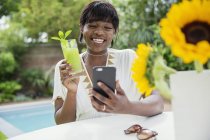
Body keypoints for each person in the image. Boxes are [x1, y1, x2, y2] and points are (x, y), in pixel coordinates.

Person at [52, 0, 164, 125]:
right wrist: (71, 93)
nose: (99, 32)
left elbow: (158, 103)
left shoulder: (130, 58)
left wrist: (127, 106)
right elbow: (61, 123)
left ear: (114, 32)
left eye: (107, 27)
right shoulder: (65, 67)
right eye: (92, 26)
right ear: (82, 28)